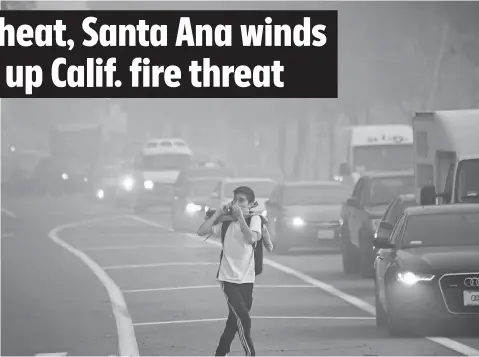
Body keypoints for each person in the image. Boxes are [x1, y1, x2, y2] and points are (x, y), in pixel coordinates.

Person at [197, 186, 271, 356]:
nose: (237, 203)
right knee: (243, 319)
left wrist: (241, 219)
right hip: (228, 278)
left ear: (251, 204)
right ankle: (250, 353)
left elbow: (252, 238)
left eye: (242, 200)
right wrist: (217, 214)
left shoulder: (255, 220)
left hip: (247, 278)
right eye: (235, 199)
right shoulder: (226, 224)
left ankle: (220, 353)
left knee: (234, 321)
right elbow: (201, 231)